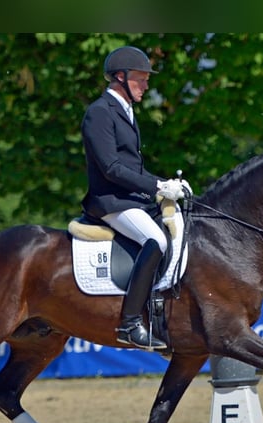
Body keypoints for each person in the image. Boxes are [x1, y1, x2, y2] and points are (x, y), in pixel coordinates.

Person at [80, 45, 189, 350]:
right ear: (120, 77)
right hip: (110, 201)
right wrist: (156, 187)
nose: (146, 85)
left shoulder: (125, 111)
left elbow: (133, 166)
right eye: (141, 79)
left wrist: (167, 183)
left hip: (131, 199)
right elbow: (112, 168)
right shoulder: (99, 112)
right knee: (156, 241)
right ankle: (129, 324)